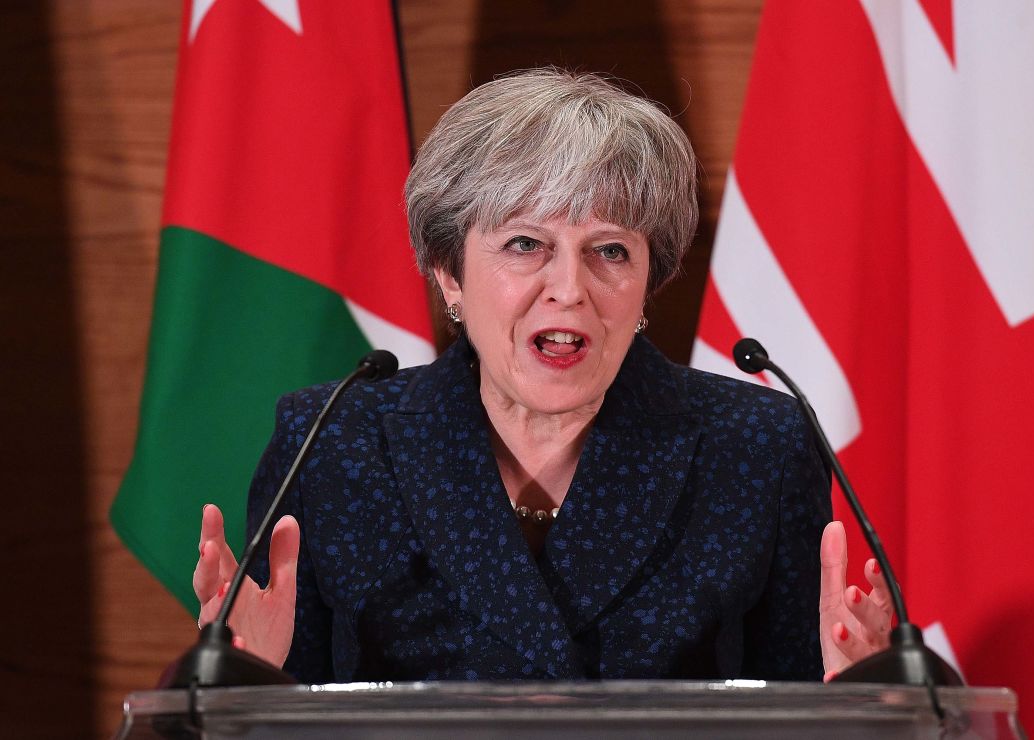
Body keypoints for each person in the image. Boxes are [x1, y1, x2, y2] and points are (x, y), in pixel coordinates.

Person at [193, 68, 893, 683]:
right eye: (526, 244)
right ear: (448, 273)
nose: (569, 287)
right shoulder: (334, 442)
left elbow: (796, 704)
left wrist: (862, 700)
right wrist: (247, 684)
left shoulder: (756, 446)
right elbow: (279, 712)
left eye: (610, 251)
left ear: (651, 279)